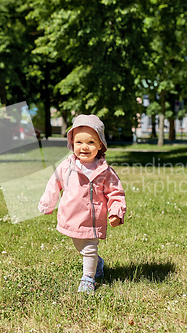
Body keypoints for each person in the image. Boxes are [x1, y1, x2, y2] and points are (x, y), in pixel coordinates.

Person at [38, 114, 127, 293]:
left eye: (91, 142)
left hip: (93, 220)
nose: (84, 147)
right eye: (79, 142)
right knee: (80, 246)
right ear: (72, 144)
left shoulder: (104, 171)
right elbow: (54, 184)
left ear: (100, 145)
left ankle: (88, 278)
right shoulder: (66, 166)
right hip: (71, 217)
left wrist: (116, 211)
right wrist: (48, 203)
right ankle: (98, 262)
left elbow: (116, 192)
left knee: (88, 247)